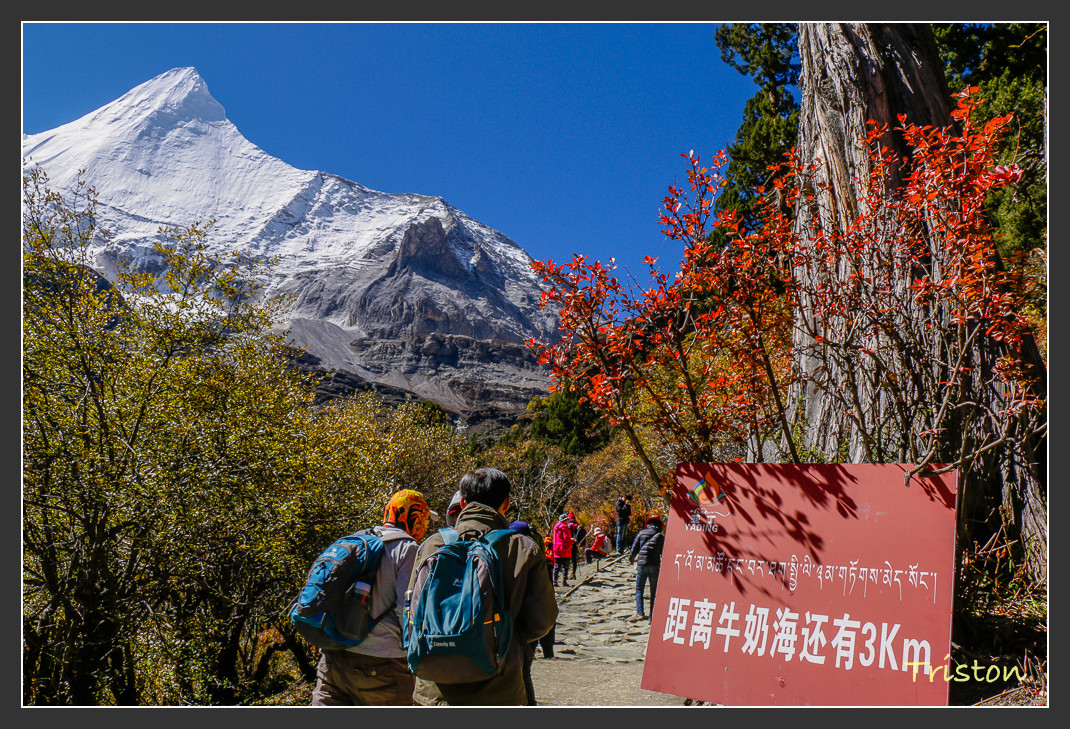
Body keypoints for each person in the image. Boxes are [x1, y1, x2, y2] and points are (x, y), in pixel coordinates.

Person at [409, 468, 558, 706]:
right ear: (506, 504)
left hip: (434, 688)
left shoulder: (431, 545)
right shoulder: (521, 548)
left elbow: (410, 614)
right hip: (499, 689)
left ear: (464, 502)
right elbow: (541, 621)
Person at [310, 489, 429, 706]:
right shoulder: (408, 548)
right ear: (415, 517)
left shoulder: (358, 538)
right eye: (425, 518)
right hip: (381, 668)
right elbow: (408, 611)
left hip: (332, 660)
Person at [628, 514, 664, 622]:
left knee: (639, 589)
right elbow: (664, 552)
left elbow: (634, 548)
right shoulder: (660, 536)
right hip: (655, 565)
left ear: (649, 524)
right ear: (659, 525)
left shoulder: (641, 533)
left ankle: (640, 613)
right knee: (654, 591)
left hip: (642, 564)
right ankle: (651, 617)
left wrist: (631, 559)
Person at [550, 513, 574, 587]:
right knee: (565, 566)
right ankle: (564, 582)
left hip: (556, 549)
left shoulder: (556, 528)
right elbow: (566, 539)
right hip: (565, 549)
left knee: (557, 566)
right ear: (565, 520)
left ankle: (554, 581)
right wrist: (572, 540)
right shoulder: (565, 528)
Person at [569, 514, 587, 580]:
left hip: (569, 544)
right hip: (575, 544)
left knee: (567, 560)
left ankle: (566, 575)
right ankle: (573, 573)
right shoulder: (577, 525)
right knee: (574, 560)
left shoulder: (568, 525)